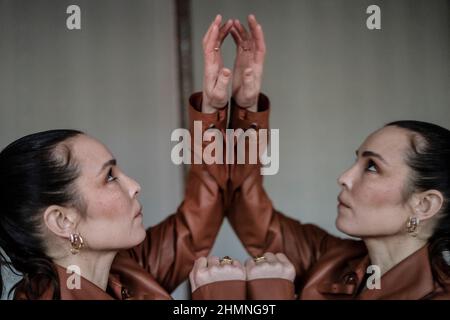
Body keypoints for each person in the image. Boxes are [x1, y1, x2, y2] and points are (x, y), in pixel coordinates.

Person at [190, 14, 450, 300]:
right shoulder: (330, 260)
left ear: (425, 204)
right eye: (357, 161)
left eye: (372, 167)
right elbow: (241, 202)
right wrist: (244, 108)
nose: (344, 177)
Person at [0, 15, 233, 300]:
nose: (134, 185)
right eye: (109, 177)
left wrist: (211, 111)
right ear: (62, 220)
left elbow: (197, 221)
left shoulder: (125, 269)